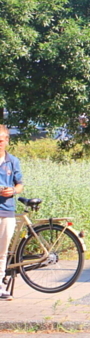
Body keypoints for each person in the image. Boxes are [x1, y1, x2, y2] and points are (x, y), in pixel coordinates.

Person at [0, 126, 24, 301]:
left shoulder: (13, 161)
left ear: (7, 140)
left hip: (6, 210)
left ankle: (0, 286)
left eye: (2, 140)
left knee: (2, 251)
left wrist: (13, 191)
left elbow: (20, 184)